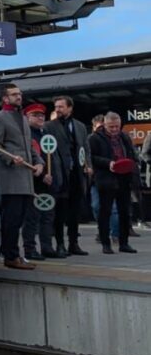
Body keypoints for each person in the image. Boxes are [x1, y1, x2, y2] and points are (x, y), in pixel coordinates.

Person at [0, 84, 44, 269]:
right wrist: (11, 159)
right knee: (11, 219)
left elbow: (30, 146)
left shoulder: (22, 118)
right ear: (5, 98)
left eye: (20, 93)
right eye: (14, 94)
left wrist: (39, 163)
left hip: (26, 178)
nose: (19, 97)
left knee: (20, 219)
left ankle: (12, 253)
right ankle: (10, 256)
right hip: (11, 178)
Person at [45, 96, 91, 256]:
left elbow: (85, 147)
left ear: (70, 108)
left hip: (77, 174)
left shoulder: (80, 126)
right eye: (56, 107)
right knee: (60, 211)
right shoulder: (49, 126)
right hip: (60, 174)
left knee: (75, 211)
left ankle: (74, 243)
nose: (58, 109)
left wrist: (88, 165)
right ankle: (60, 244)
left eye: (61, 107)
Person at [89, 112, 138, 254]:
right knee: (105, 212)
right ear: (104, 124)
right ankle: (106, 243)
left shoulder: (124, 137)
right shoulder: (95, 138)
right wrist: (108, 163)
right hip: (106, 179)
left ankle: (124, 243)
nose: (115, 129)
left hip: (124, 178)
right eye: (111, 127)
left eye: (117, 126)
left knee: (124, 212)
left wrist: (133, 163)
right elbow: (91, 157)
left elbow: (131, 153)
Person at [23, 103, 67, 259]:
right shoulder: (26, 135)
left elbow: (53, 159)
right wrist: (43, 176)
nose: (40, 117)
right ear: (27, 117)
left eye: (42, 115)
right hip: (35, 183)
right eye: (35, 115)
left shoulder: (45, 134)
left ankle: (47, 247)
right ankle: (30, 249)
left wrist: (56, 178)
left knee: (48, 217)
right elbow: (31, 160)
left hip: (50, 184)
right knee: (32, 217)